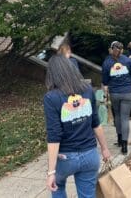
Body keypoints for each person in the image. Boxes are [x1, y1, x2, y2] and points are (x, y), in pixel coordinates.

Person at [43, 55, 111, 198]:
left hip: (65, 157)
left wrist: (51, 172)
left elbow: (54, 135)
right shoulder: (87, 90)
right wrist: (105, 149)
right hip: (90, 155)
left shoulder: (51, 97)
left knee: (58, 186)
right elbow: (96, 123)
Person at [102, 41, 131, 155]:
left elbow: (105, 83)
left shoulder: (107, 63)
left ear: (111, 49)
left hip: (114, 94)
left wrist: (105, 94)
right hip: (127, 93)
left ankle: (119, 140)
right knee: (125, 118)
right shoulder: (127, 60)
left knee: (117, 116)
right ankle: (125, 146)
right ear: (122, 50)